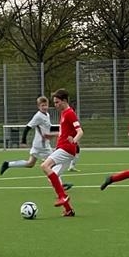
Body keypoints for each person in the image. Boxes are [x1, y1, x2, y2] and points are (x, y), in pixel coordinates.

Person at [0, 96, 71, 189]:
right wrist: (23, 141)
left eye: (46, 105)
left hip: (40, 144)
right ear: (38, 106)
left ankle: (8, 164)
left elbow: (49, 128)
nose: (44, 107)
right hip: (42, 146)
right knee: (52, 164)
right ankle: (59, 185)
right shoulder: (38, 116)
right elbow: (27, 127)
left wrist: (63, 128)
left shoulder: (47, 114)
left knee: (30, 163)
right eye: (42, 105)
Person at [40, 89, 81, 217]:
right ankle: (68, 209)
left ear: (64, 101)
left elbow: (80, 131)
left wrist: (74, 141)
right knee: (52, 178)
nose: (55, 105)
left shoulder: (70, 113)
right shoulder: (64, 113)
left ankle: (62, 196)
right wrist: (52, 135)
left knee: (45, 166)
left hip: (66, 149)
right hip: (64, 149)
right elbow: (64, 132)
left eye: (57, 102)